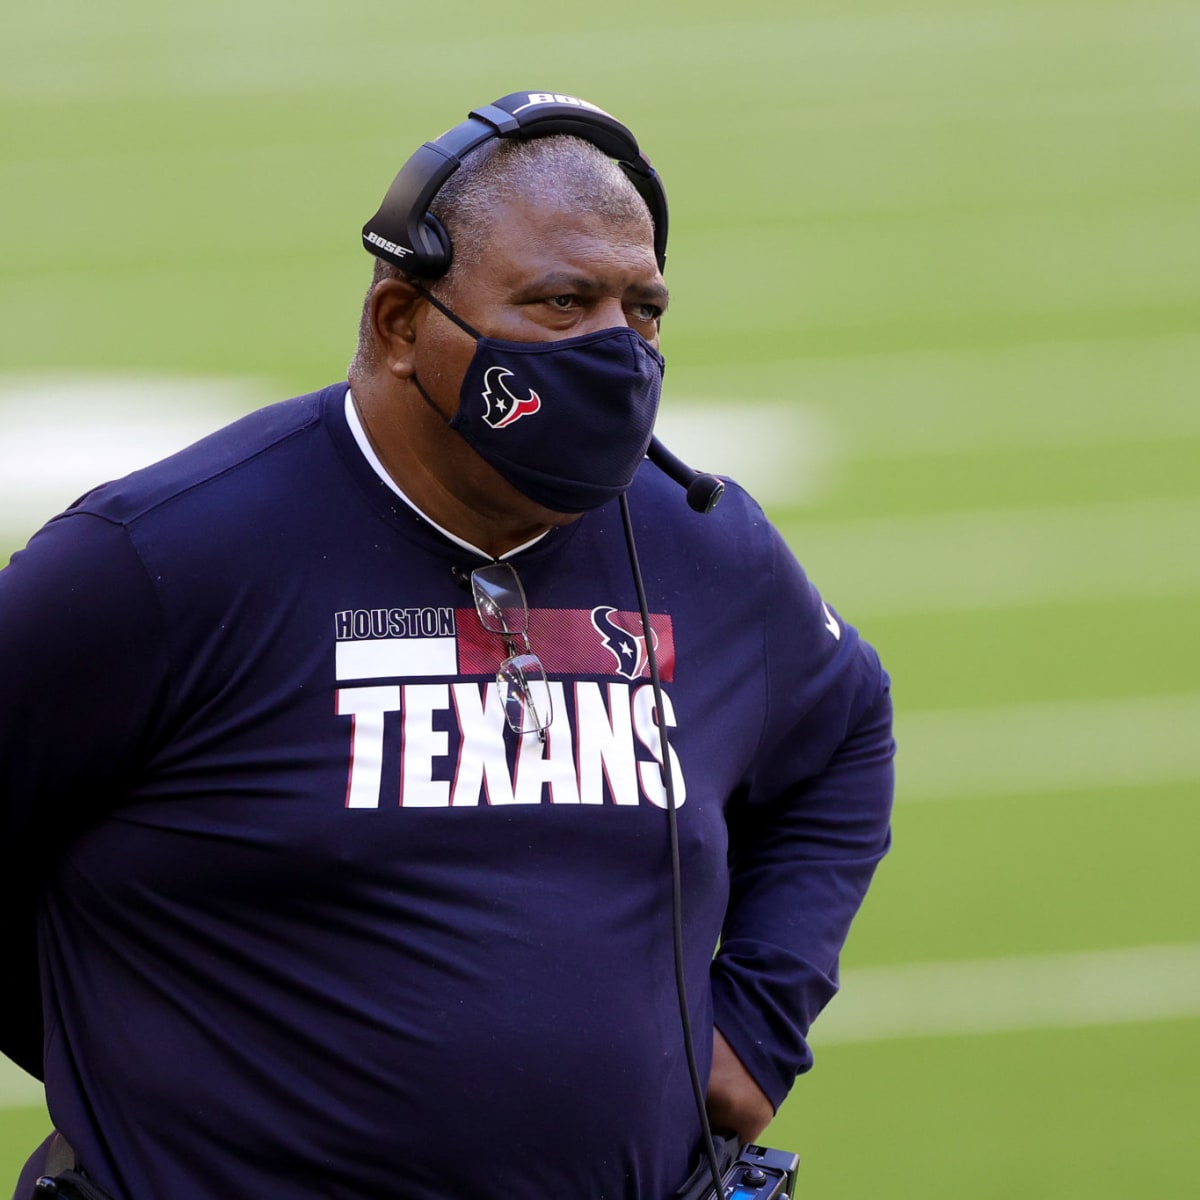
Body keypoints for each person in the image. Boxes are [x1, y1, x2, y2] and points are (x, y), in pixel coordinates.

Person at [0, 92, 894, 1200]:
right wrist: (104, 1036)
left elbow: (848, 731)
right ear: (399, 322)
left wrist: (760, 1018)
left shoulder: (709, 548)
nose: (616, 350)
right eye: (561, 303)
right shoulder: (154, 564)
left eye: (643, 308)